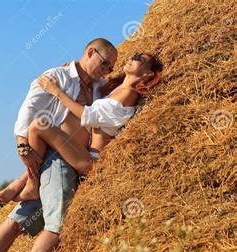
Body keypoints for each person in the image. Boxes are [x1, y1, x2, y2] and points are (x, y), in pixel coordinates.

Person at [0, 38, 117, 252]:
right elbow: (28, 112)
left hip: (70, 161)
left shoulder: (95, 87)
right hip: (57, 161)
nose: (107, 71)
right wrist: (24, 148)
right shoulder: (57, 77)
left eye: (110, 68)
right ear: (90, 52)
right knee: (57, 223)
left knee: (20, 218)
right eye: (105, 64)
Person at [15, 52, 163, 200]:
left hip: (92, 161)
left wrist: (57, 91)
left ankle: (32, 184)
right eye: (133, 55)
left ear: (147, 73)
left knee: (38, 125)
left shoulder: (129, 94)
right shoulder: (115, 89)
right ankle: (23, 184)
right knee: (41, 132)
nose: (131, 57)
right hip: (83, 153)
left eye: (138, 58)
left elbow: (89, 115)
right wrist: (71, 72)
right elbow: (92, 82)